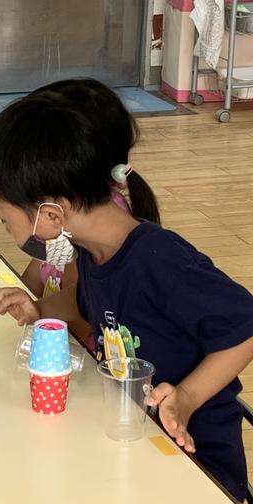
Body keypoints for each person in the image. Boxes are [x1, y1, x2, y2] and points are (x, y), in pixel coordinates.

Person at [0, 80, 253, 501]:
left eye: (4, 218)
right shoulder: (92, 252)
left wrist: (186, 396)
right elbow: (84, 302)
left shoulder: (158, 259)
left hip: (194, 467)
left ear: (52, 214)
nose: (6, 228)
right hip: (133, 438)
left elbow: (252, 327)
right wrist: (40, 308)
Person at [19, 79, 161, 350]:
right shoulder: (62, 218)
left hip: (87, 358)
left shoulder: (87, 231)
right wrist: (31, 306)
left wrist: (40, 314)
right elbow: (36, 276)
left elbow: (81, 323)